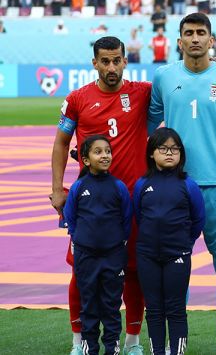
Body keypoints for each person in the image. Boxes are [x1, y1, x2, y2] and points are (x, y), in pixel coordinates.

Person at [148, 12, 216, 354]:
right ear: (179, 40)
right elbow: (149, 129)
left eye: (201, 33)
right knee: (176, 270)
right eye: (188, 33)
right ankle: (176, 344)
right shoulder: (164, 77)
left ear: (212, 40)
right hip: (174, 187)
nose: (195, 38)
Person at [51, 36, 150, 355]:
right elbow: (61, 143)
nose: (111, 66)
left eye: (117, 60)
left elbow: (184, 76)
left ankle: (132, 341)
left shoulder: (141, 93)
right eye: (105, 61)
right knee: (81, 273)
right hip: (90, 203)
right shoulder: (78, 99)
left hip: (133, 202)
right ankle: (79, 341)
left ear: (125, 60)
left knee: (133, 271)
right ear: (94, 63)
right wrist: (57, 189)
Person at [132, 128, 205, 355]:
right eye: (163, 148)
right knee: (153, 309)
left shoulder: (188, 185)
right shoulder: (142, 184)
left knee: (175, 308)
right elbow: (138, 214)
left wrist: (183, 243)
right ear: (151, 154)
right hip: (147, 255)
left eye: (175, 149)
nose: (169, 153)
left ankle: (176, 351)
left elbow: (198, 219)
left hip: (178, 254)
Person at [64, 135, 133, 355]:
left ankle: (111, 347)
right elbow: (71, 217)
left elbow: (126, 218)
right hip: (86, 256)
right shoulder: (79, 187)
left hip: (113, 256)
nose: (104, 156)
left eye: (107, 151)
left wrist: (116, 243)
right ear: (85, 160)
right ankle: (89, 348)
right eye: (98, 152)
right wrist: (82, 240)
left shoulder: (118, 187)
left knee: (111, 305)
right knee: (89, 305)